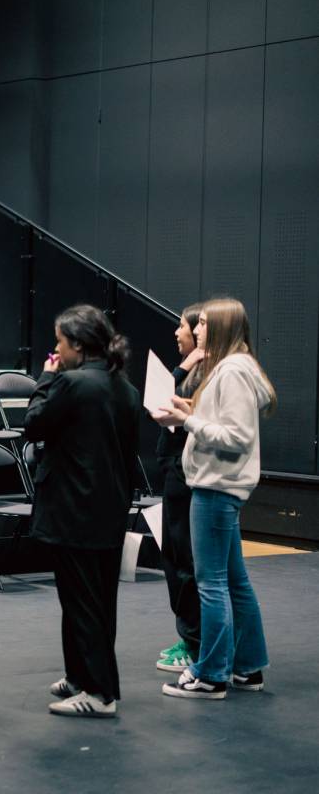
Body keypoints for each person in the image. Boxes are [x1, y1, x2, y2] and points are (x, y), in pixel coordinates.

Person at [153, 297, 273, 700]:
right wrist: (189, 410)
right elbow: (225, 424)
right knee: (234, 581)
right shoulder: (232, 369)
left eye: (202, 323)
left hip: (216, 488)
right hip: (220, 487)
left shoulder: (232, 371)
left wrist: (186, 420)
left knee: (212, 583)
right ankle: (247, 667)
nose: (194, 329)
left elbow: (236, 437)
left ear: (219, 328)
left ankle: (211, 674)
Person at [24, 304, 140, 718]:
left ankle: (99, 692)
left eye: (59, 341)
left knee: (79, 600)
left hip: (74, 507)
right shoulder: (125, 389)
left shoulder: (70, 383)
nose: (56, 348)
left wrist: (46, 376)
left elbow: (34, 423)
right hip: (109, 506)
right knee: (97, 599)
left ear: (75, 344)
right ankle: (80, 675)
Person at [153, 304, 205, 674]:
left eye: (183, 326)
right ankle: (189, 637)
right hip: (174, 471)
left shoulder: (201, 373)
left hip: (186, 474)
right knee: (174, 556)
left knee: (185, 559)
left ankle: (196, 643)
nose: (178, 332)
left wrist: (183, 368)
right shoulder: (190, 370)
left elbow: (164, 400)